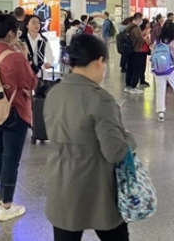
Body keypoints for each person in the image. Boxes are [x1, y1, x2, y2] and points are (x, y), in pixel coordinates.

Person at [44, 34, 136, 241]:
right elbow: (114, 152)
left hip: (61, 184)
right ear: (99, 61)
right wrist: (130, 139)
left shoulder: (54, 93)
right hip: (96, 188)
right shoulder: (100, 99)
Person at [0, 14, 37, 222]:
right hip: (14, 111)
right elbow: (31, 83)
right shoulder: (15, 57)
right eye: (17, 31)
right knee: (11, 159)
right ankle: (6, 206)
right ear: (11, 33)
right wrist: (25, 57)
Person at [124, 13, 146, 94]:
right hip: (136, 50)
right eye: (141, 19)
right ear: (138, 18)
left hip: (129, 50)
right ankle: (133, 86)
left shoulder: (128, 26)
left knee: (129, 68)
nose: (141, 21)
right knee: (136, 69)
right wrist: (145, 37)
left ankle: (128, 86)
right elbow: (140, 40)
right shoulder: (136, 28)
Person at [139, 19, 151, 87]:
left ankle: (142, 79)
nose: (149, 25)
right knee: (142, 65)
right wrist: (147, 34)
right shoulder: (143, 31)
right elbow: (146, 41)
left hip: (144, 50)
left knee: (143, 65)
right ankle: (141, 79)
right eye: (148, 23)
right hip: (142, 50)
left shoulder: (144, 31)